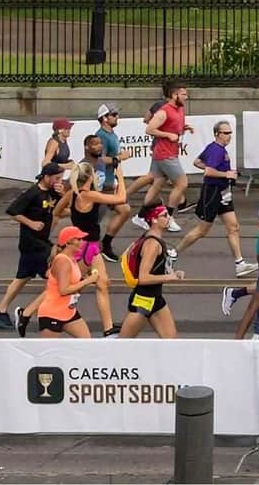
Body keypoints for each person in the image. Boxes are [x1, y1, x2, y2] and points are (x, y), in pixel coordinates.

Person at [174, 121, 255, 277]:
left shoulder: (215, 148)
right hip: (212, 193)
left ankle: (240, 264)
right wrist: (226, 174)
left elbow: (197, 162)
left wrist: (219, 172)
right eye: (226, 133)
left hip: (224, 193)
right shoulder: (216, 150)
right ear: (217, 134)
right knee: (201, 231)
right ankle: (173, 253)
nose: (229, 136)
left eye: (230, 133)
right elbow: (208, 172)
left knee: (233, 227)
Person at [0, 163, 63, 331]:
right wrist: (31, 223)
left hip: (40, 241)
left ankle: (0, 310)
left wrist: (63, 194)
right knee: (58, 279)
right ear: (46, 177)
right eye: (56, 178)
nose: (59, 181)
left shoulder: (52, 193)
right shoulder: (32, 193)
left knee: (22, 278)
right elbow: (13, 211)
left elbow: (60, 208)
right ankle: (31, 313)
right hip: (33, 243)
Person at [61, 162, 122, 335]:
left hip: (90, 246)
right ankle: (29, 313)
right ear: (89, 178)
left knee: (102, 283)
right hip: (85, 246)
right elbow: (121, 199)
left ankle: (108, 328)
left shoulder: (72, 195)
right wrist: (121, 177)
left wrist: (75, 215)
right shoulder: (90, 195)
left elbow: (58, 210)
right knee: (69, 287)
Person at [119, 204, 186, 339]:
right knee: (122, 346)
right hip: (142, 300)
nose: (169, 218)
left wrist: (172, 273)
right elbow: (143, 278)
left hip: (155, 299)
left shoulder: (152, 238)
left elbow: (155, 268)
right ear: (154, 219)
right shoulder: (152, 244)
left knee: (173, 343)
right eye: (165, 215)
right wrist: (170, 278)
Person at [137, 83, 192, 220]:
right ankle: (169, 217)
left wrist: (184, 128)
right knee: (182, 183)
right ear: (175, 95)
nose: (186, 97)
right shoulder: (164, 111)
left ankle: (140, 216)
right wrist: (167, 135)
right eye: (184, 94)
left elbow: (173, 126)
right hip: (165, 154)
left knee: (157, 184)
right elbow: (149, 129)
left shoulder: (180, 109)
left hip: (166, 153)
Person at [90, 104, 138, 249]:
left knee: (124, 210)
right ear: (104, 118)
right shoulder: (101, 136)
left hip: (111, 182)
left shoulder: (111, 134)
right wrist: (118, 158)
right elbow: (99, 159)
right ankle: (91, 247)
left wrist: (121, 155)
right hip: (103, 183)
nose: (117, 117)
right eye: (114, 115)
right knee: (94, 219)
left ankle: (105, 243)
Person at [32, 228, 94, 338]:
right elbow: (63, 290)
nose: (82, 242)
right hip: (52, 314)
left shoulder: (72, 259)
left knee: (87, 344)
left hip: (68, 311)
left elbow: (74, 288)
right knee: (51, 353)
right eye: (78, 239)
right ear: (68, 242)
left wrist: (85, 281)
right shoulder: (62, 261)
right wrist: (87, 281)